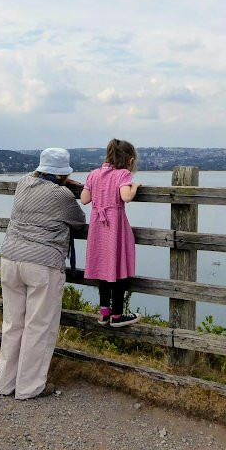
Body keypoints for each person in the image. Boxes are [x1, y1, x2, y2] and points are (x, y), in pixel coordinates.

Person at [0, 147, 86, 399]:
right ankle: (29, 387)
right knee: (39, 326)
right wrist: (70, 187)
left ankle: (5, 383)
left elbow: (38, 179)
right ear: (63, 174)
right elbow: (79, 220)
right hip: (42, 264)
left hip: (11, 258)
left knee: (13, 323)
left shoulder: (23, 183)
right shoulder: (63, 195)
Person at [82, 138, 142, 327]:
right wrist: (135, 186)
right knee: (118, 269)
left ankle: (104, 314)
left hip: (98, 228)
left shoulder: (94, 174)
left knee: (103, 270)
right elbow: (126, 196)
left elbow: (84, 199)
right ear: (130, 160)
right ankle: (117, 316)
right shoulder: (123, 175)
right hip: (115, 228)